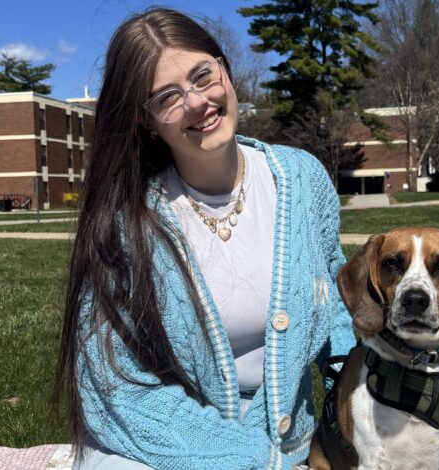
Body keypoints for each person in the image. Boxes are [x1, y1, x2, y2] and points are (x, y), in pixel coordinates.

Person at [54, 7, 355, 469]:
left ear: (226, 71)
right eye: (167, 97)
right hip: (160, 446)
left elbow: (335, 303)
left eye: (202, 75)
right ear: (146, 120)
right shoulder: (125, 220)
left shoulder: (301, 178)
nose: (197, 102)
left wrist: (357, 393)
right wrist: (255, 460)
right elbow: (114, 389)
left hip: (287, 446)